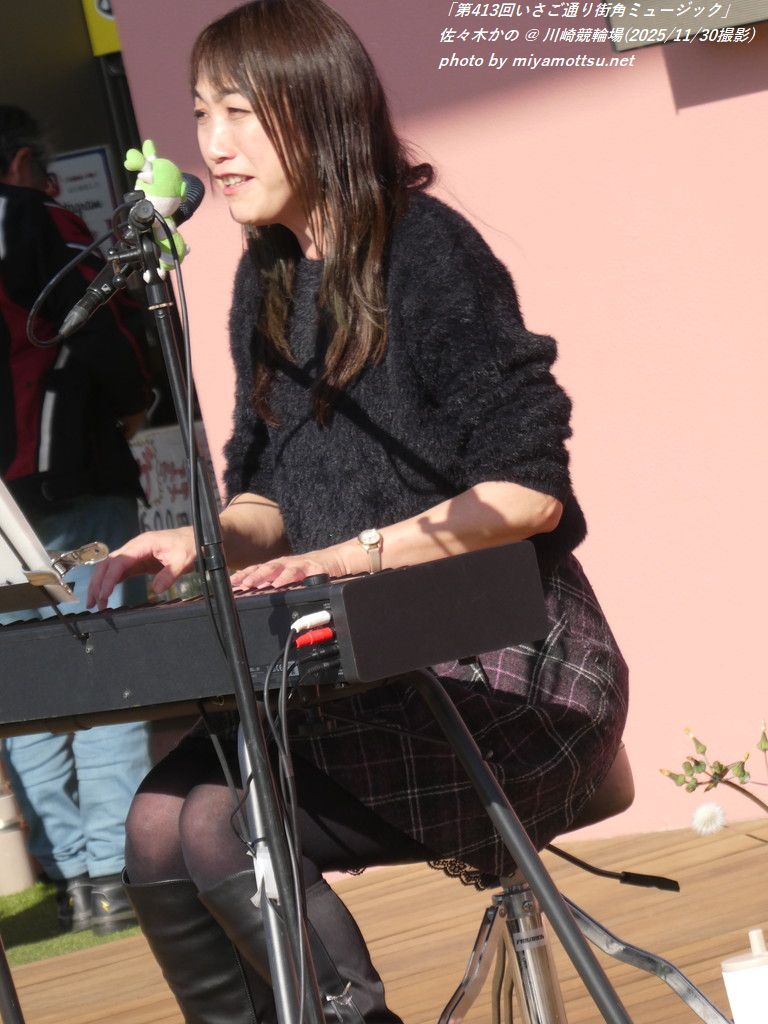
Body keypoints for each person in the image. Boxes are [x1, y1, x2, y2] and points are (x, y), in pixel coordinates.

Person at [87, 0, 629, 1019]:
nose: (212, 145)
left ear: (317, 107)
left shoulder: (428, 254)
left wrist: (351, 555)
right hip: (353, 672)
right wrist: (201, 541)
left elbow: (527, 492)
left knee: (217, 826)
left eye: (239, 112)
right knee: (156, 822)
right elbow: (266, 492)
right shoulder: (267, 278)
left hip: (502, 665)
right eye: (200, 113)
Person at [0, 105, 152, 934]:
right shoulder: (43, 220)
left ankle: (68, 878)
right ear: (24, 163)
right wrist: (137, 402)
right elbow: (108, 331)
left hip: (2, 511)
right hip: (72, 477)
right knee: (109, 677)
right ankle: (112, 872)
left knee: (27, 691)